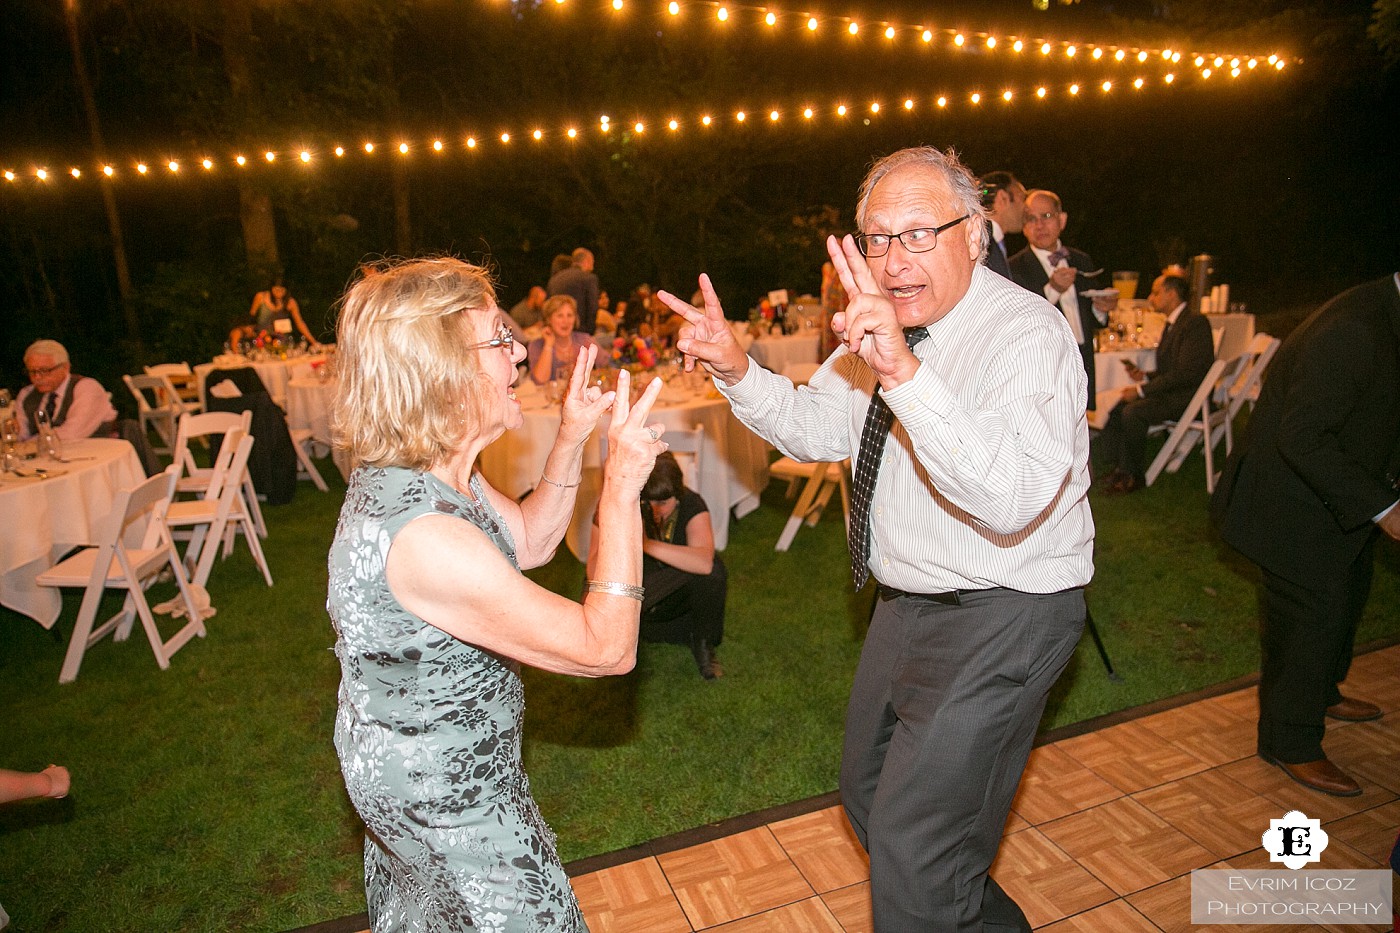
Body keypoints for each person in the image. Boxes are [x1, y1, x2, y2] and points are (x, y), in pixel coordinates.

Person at [659, 146, 1093, 932]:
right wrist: (734, 365)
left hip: (1006, 605)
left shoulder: (1026, 336)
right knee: (869, 797)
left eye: (919, 234)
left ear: (974, 235)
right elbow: (816, 423)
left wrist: (903, 373)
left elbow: (1011, 497)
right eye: (877, 238)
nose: (894, 260)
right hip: (909, 602)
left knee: (917, 846)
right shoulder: (888, 332)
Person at [327, 256, 667, 931]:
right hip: (451, 809)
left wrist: (570, 437)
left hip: (431, 779)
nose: (519, 354)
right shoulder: (426, 538)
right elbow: (606, 647)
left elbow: (532, 542)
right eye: (499, 339)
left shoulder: (432, 474)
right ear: (444, 373)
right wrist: (623, 487)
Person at [1212, 274, 1400, 797]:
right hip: (1289, 502)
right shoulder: (1356, 329)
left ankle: (1320, 691)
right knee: (1309, 618)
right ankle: (1289, 741)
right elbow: (1303, 435)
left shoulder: (1388, 312)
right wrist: (1385, 508)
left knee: (1348, 597)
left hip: (1340, 495)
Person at [588, 451, 727, 680]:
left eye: (663, 502)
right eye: (647, 502)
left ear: (678, 495)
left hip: (673, 594)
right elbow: (593, 572)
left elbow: (703, 562)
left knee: (714, 572)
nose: (655, 511)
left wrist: (644, 544)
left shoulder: (692, 504)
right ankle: (618, 644)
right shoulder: (618, 505)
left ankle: (702, 643)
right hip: (634, 596)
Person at [1095, 272, 1215, 493]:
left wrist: (1141, 390)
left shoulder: (1195, 323)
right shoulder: (1174, 323)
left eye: (1156, 292)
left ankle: (1133, 477)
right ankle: (1118, 468)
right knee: (1118, 405)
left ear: (1171, 294)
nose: (1151, 298)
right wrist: (1147, 375)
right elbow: (1172, 368)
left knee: (1134, 412)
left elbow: (1186, 374)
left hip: (1189, 398)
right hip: (1176, 391)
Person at [1009, 189, 1115, 410]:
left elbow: (1091, 320)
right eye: (1031, 219)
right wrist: (1053, 290)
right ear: (1024, 227)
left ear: (1062, 220)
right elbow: (1021, 320)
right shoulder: (1014, 268)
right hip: (1045, 364)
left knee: (1081, 432)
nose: (1039, 225)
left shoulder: (1081, 260)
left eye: (1046, 216)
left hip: (1082, 359)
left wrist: (1101, 309)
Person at [15, 340, 117, 442]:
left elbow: (72, 433)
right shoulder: (26, 394)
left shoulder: (86, 387)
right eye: (32, 371)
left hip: (96, 453)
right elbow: (21, 435)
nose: (37, 377)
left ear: (65, 367)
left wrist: (30, 443)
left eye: (45, 371)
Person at [528, 295, 596, 385]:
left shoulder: (585, 340)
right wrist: (548, 345)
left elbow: (608, 365)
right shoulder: (536, 345)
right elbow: (540, 381)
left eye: (570, 315)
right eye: (560, 316)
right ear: (549, 320)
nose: (566, 321)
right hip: (550, 398)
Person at [978, 170, 1027, 279]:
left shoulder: (992, 241)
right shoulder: (982, 243)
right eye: (1022, 198)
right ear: (1003, 198)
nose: (1026, 207)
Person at [547, 248, 602, 335]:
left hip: (557, 332)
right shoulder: (589, 278)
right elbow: (593, 308)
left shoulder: (555, 279)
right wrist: (590, 333)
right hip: (580, 332)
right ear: (587, 261)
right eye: (592, 262)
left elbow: (548, 307)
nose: (593, 267)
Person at [248, 276, 316, 344]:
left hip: (281, 340)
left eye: (281, 290)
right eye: (276, 289)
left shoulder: (290, 302)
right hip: (261, 339)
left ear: (286, 290)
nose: (278, 292)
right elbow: (251, 316)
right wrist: (250, 332)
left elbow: (300, 323)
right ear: (271, 288)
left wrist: (314, 342)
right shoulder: (261, 297)